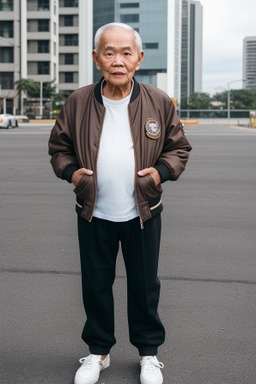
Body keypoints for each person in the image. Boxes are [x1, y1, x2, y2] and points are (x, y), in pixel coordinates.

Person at [48, 22, 192, 384]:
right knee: (95, 285)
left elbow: (179, 148)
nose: (117, 60)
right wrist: (73, 175)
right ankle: (98, 352)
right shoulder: (78, 101)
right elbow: (59, 148)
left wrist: (160, 173)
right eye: (109, 52)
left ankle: (148, 354)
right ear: (97, 59)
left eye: (126, 52)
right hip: (93, 212)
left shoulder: (158, 101)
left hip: (143, 213)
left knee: (144, 286)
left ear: (138, 59)